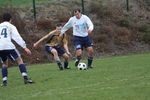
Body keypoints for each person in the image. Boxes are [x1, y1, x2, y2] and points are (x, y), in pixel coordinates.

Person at [0, 13, 34, 86]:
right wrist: (24, 47)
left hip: (0, 47)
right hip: (8, 46)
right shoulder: (11, 26)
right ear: (10, 19)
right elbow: (17, 37)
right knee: (19, 60)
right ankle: (26, 78)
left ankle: (4, 81)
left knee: (4, 63)